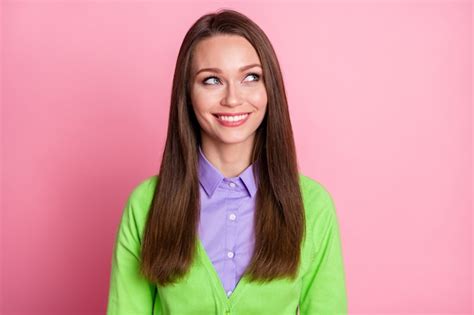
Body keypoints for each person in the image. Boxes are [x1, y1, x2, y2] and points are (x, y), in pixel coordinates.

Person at [106, 8, 348, 315]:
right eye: (211, 80)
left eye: (250, 77)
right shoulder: (145, 204)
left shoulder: (313, 205)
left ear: (269, 88)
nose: (233, 99)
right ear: (187, 94)